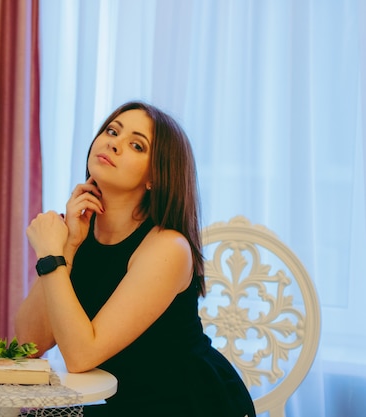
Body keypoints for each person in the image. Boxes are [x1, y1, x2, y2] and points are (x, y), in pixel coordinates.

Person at [14, 101, 256, 416]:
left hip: (183, 404)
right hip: (118, 401)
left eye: (136, 145)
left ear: (155, 176)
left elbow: (81, 356)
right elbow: (29, 345)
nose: (114, 143)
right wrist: (69, 246)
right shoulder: (79, 231)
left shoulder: (168, 247)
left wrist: (50, 256)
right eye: (112, 131)